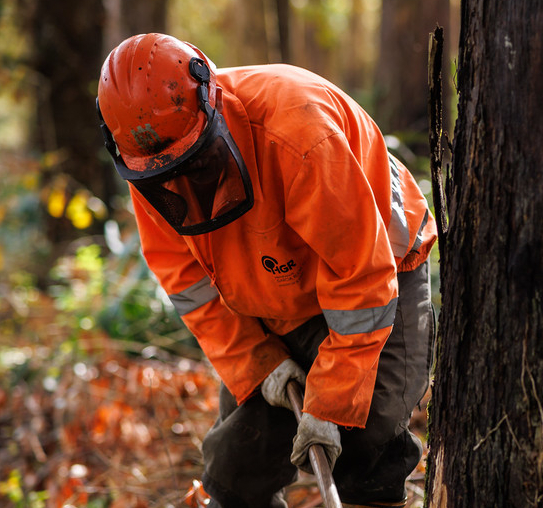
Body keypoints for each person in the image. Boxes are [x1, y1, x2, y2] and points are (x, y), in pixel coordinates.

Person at [95, 33, 437, 508]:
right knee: (238, 463)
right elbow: (187, 283)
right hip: (273, 290)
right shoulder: (154, 163)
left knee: (366, 438)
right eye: (165, 174)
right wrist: (259, 363)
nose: (180, 182)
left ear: (211, 101)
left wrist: (331, 403)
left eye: (194, 163)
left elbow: (361, 279)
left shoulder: (298, 133)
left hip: (381, 274)